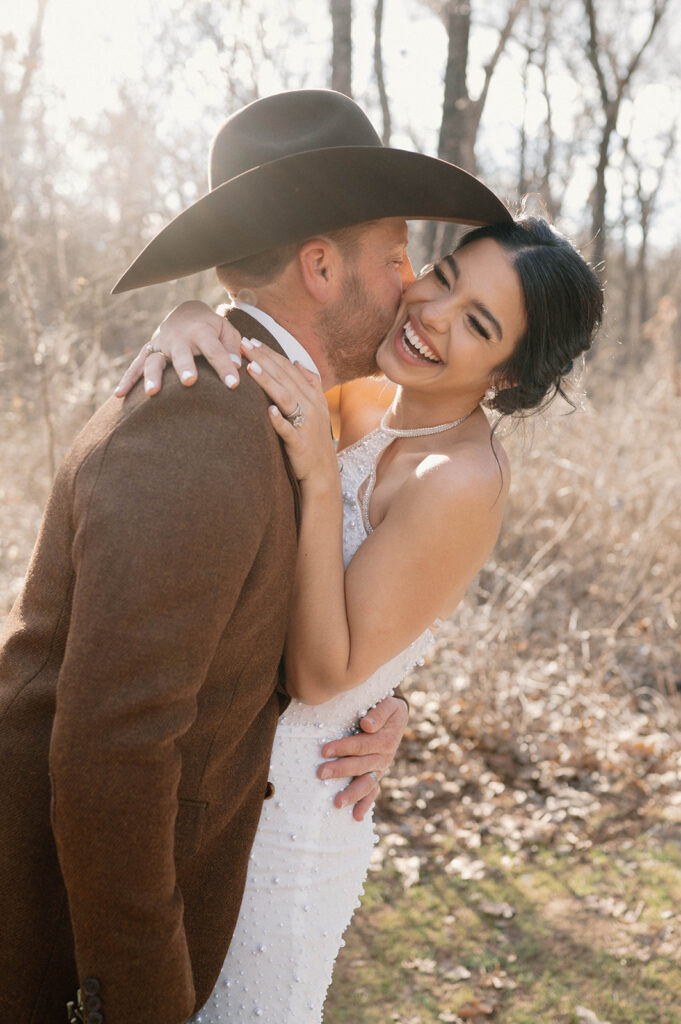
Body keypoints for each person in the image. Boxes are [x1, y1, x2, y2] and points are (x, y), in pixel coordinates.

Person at [0, 89, 512, 1024]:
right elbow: (112, 752)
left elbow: (304, 601)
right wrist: (140, 1000)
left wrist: (380, 702)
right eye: (397, 257)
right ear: (320, 266)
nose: (411, 287)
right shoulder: (199, 423)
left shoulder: (283, 402)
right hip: (83, 955)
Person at [115, 215, 604, 1024]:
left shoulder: (457, 479)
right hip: (219, 788)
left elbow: (317, 675)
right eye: (444, 277)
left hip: (290, 829)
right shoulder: (371, 393)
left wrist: (316, 478)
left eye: (477, 324)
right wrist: (191, 319)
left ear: (508, 378)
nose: (432, 313)